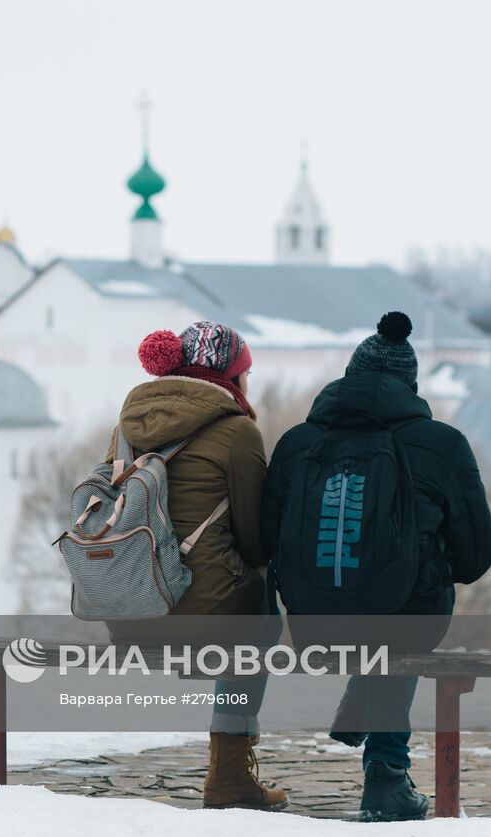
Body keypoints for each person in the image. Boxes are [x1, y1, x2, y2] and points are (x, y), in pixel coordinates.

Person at [260, 311, 491, 822]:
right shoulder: (442, 444)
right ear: (410, 384)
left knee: (387, 615)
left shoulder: (299, 443)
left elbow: (263, 540)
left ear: (348, 376)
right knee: (404, 612)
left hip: (313, 620)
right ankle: (386, 773)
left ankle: (364, 698)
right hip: (410, 621)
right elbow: (476, 558)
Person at [111, 320, 287, 811]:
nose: (248, 383)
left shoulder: (127, 427)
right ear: (229, 376)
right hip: (205, 617)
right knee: (261, 617)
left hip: (130, 607)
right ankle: (229, 772)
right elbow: (255, 543)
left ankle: (230, 771)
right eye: (245, 372)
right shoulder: (237, 432)